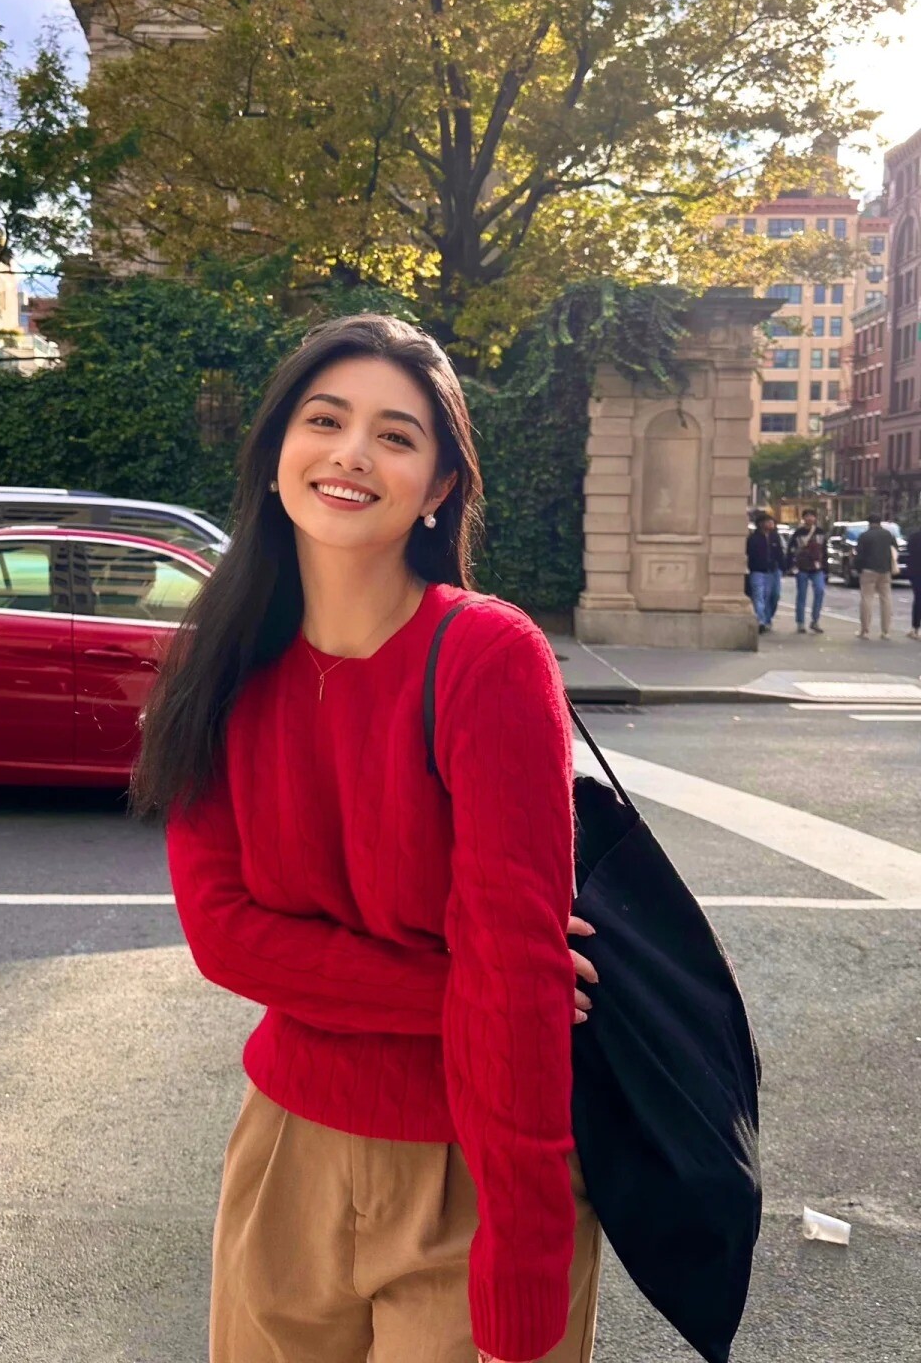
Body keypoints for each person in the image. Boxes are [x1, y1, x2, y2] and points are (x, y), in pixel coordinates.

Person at [132, 315, 602, 1363]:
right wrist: (474, 984)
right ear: (275, 457)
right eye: (325, 419)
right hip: (283, 1152)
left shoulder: (487, 656)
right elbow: (224, 936)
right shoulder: (217, 661)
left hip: (472, 1164)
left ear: (438, 486)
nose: (352, 453)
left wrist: (525, 1277)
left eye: (396, 436)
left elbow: (518, 992)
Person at [786, 509, 828, 634]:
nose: (810, 518)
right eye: (807, 516)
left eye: (812, 516)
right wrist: (791, 566)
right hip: (802, 567)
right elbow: (790, 550)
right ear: (803, 518)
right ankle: (800, 622)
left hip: (817, 567)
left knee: (820, 591)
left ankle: (815, 620)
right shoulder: (798, 533)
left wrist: (825, 568)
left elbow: (824, 551)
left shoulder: (820, 532)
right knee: (801, 595)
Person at [855, 514, 896, 640]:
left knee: (867, 599)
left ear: (869, 523)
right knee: (886, 599)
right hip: (885, 570)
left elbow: (859, 554)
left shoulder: (864, 536)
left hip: (868, 570)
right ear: (880, 522)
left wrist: (858, 568)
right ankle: (886, 631)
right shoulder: (888, 535)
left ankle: (865, 630)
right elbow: (894, 549)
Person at [746, 514, 785, 634]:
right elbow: (750, 555)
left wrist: (783, 566)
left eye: (772, 521)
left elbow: (779, 553)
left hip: (772, 571)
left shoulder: (775, 537)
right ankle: (760, 621)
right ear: (761, 524)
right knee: (759, 596)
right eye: (768, 521)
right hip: (757, 571)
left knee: (773, 596)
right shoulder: (753, 539)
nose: (771, 524)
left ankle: (767, 618)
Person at [907, 522, 921, 641]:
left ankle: (916, 628)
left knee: (918, 600)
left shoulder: (914, 536)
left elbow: (909, 552)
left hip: (916, 572)